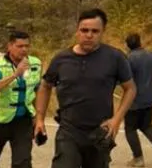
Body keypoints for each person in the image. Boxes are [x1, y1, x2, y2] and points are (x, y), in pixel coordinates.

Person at [34, 9, 137, 168]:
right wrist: (40, 119)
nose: (89, 35)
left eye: (95, 31)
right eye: (84, 30)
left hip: (100, 132)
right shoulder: (61, 59)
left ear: (103, 32)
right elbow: (45, 85)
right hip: (69, 131)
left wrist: (117, 120)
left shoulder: (115, 57)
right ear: (77, 31)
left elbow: (130, 89)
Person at [0, 30, 43, 168]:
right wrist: (15, 75)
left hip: (23, 121)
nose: (24, 49)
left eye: (27, 46)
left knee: (23, 162)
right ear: (10, 46)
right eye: (20, 46)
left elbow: (38, 90)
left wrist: (38, 118)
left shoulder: (35, 64)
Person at [123, 33, 152, 167]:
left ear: (128, 45)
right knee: (146, 125)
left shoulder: (128, 59)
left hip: (134, 100)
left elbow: (126, 78)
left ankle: (138, 158)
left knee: (130, 128)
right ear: (140, 42)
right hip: (151, 97)